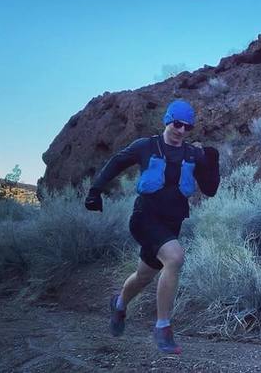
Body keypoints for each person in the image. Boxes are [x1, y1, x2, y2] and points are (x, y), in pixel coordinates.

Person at [84, 99, 220, 354]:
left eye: (187, 127)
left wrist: (213, 160)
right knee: (175, 258)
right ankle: (163, 327)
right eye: (177, 124)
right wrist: (95, 191)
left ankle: (120, 304)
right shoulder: (147, 146)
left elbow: (211, 189)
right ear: (167, 121)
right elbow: (116, 162)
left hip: (172, 222)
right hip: (144, 217)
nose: (181, 130)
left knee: (144, 276)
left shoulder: (192, 154)